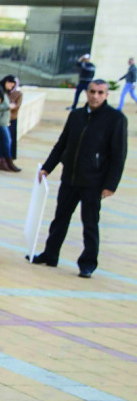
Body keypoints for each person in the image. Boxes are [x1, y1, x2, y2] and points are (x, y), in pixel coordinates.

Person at [31, 79, 127, 278]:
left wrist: (111, 184)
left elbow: (119, 155)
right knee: (60, 220)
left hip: (94, 182)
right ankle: (50, 254)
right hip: (70, 179)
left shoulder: (115, 119)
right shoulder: (76, 116)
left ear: (106, 95)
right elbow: (62, 144)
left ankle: (88, 263)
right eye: (92, 91)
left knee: (90, 223)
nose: (95, 96)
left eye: (100, 92)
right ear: (86, 92)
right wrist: (47, 168)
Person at [0, 76, 22, 172]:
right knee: (7, 140)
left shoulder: (4, 92)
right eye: (10, 84)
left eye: (13, 86)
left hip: (3, 121)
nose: (11, 87)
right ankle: (8, 162)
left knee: (4, 141)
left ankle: (5, 162)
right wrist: (7, 107)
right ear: (6, 82)